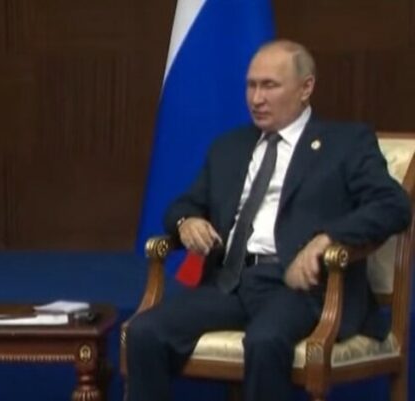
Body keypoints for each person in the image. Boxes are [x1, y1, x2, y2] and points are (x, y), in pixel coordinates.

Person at [125, 39, 411, 401]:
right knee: (145, 331)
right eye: (251, 85)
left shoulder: (346, 143)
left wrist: (327, 239)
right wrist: (186, 221)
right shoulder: (229, 146)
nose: (256, 98)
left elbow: (393, 205)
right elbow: (184, 204)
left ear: (306, 88)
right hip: (230, 281)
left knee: (265, 341)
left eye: (269, 86)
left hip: (302, 289)